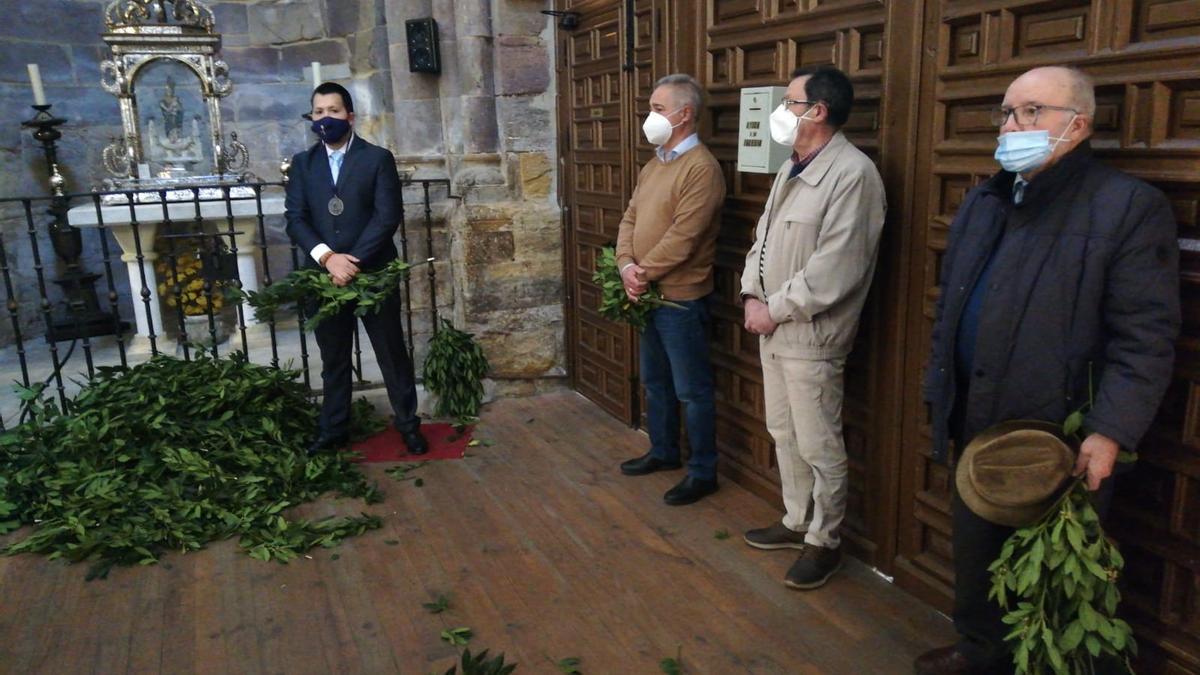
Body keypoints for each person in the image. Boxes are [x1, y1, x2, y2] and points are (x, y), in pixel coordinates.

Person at [915, 66, 1180, 674]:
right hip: (976, 414)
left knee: (1050, 577)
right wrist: (940, 387)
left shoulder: (1127, 208)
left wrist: (1110, 429)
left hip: (1058, 433)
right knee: (976, 550)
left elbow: (1146, 336)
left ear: (1078, 125)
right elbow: (951, 303)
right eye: (1008, 113)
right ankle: (981, 652)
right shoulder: (987, 199)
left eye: (1031, 112)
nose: (1013, 126)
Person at [739, 65, 886, 590]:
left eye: (789, 101)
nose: (781, 111)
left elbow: (835, 269)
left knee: (819, 443)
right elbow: (763, 240)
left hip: (811, 336)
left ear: (817, 111)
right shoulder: (791, 167)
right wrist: (752, 294)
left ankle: (825, 541)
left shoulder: (853, 174)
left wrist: (773, 308)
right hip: (773, 327)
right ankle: (796, 519)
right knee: (784, 431)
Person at [284, 82, 428, 456]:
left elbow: (386, 216)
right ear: (311, 118)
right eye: (318, 112)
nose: (325, 118)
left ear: (350, 116)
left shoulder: (376, 158)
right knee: (333, 358)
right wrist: (328, 258)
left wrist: (353, 261)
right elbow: (295, 218)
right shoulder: (303, 163)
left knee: (391, 352)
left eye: (333, 111)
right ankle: (333, 430)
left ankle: (409, 425)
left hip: (373, 273)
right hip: (322, 276)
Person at [615, 73, 726, 506]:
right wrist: (625, 264)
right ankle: (663, 450)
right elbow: (629, 217)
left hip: (681, 297)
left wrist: (642, 272)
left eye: (658, 109)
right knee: (656, 382)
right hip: (647, 293)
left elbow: (686, 236)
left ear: (684, 114)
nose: (650, 116)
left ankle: (703, 471)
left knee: (691, 390)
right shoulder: (654, 163)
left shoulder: (702, 168)